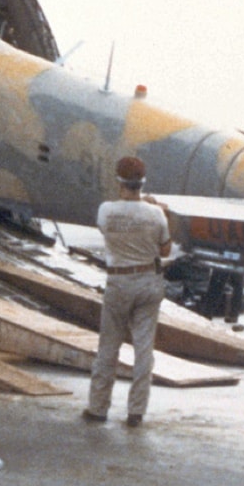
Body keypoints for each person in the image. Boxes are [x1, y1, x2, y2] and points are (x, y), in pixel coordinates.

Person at [83, 156, 171, 427]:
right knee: (144, 350)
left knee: (108, 347)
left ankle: (98, 408)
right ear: (142, 183)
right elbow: (165, 249)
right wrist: (158, 210)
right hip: (148, 280)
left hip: (119, 281)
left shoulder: (106, 210)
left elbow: (105, 230)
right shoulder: (155, 213)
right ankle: (136, 412)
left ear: (119, 182)